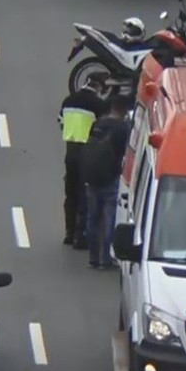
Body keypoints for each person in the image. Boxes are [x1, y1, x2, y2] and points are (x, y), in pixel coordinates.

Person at [58, 72, 109, 248]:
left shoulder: (68, 100)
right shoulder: (98, 105)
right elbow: (103, 130)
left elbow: (61, 123)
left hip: (70, 151)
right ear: (99, 86)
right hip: (88, 153)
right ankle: (81, 236)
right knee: (84, 195)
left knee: (70, 193)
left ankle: (68, 232)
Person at [81, 96, 132, 269]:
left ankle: (92, 256)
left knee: (93, 218)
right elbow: (125, 152)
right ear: (124, 111)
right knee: (109, 218)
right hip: (111, 177)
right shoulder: (123, 128)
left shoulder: (98, 124)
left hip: (93, 176)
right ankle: (105, 258)